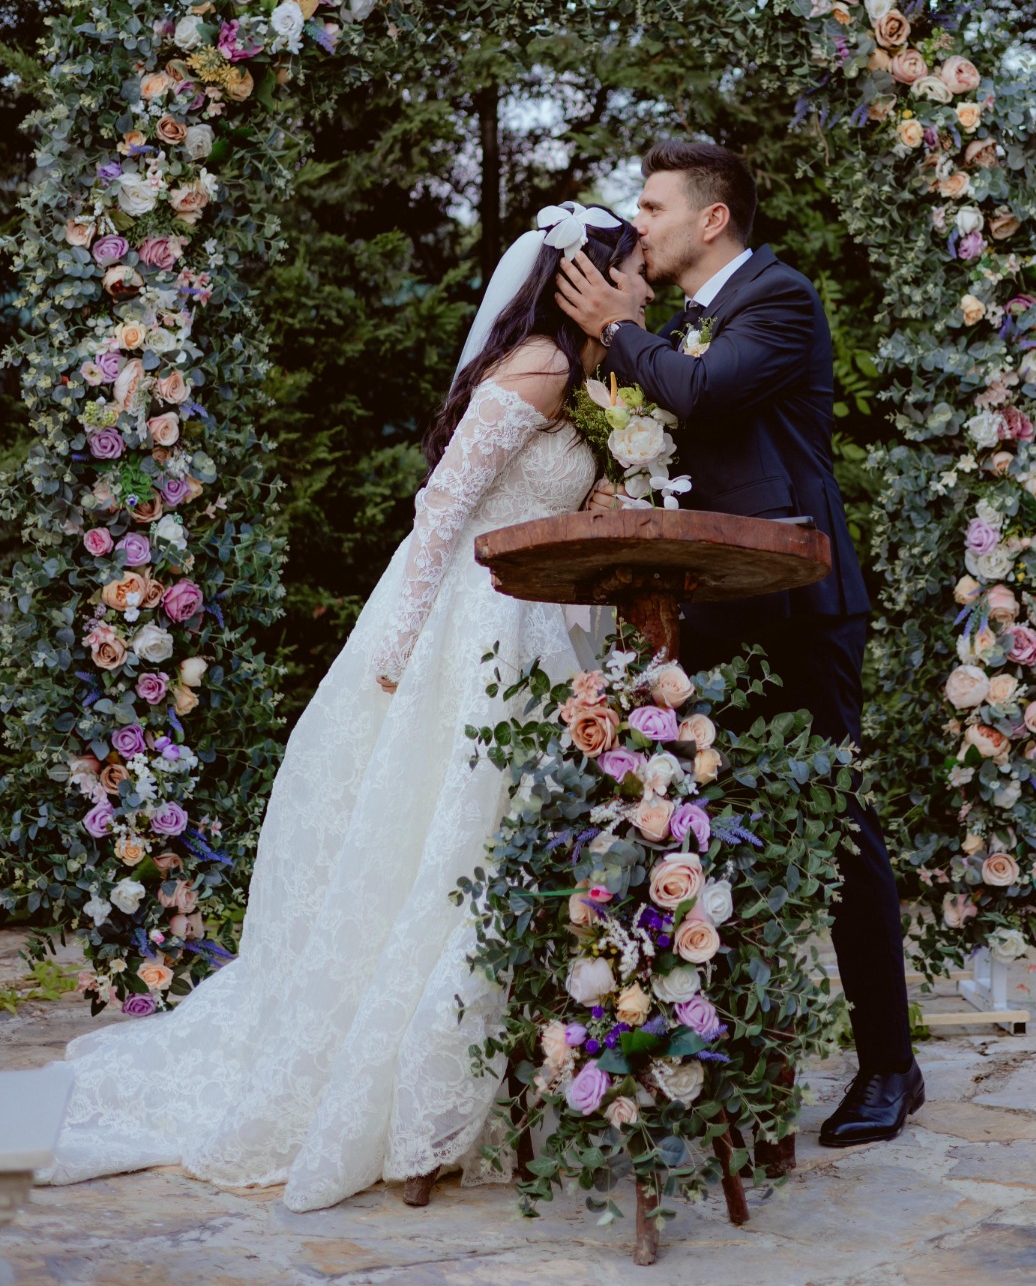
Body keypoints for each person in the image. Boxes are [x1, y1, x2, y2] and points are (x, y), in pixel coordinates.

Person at [43, 203, 651, 1211]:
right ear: (586, 280)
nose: (647, 286)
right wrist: (400, 649)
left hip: (539, 629)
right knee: (448, 846)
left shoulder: (589, 382)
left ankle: (476, 1079)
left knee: (492, 846)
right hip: (472, 626)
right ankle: (409, 1088)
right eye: (633, 269)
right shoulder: (543, 365)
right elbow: (442, 508)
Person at [556, 138, 923, 1148]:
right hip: (711, 609)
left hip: (801, 606)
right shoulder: (679, 327)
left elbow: (706, 393)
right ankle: (734, 1065)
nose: (638, 223)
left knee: (840, 828)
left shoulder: (779, 298)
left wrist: (620, 329)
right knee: (701, 831)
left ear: (711, 218)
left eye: (652, 206)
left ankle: (890, 1066)